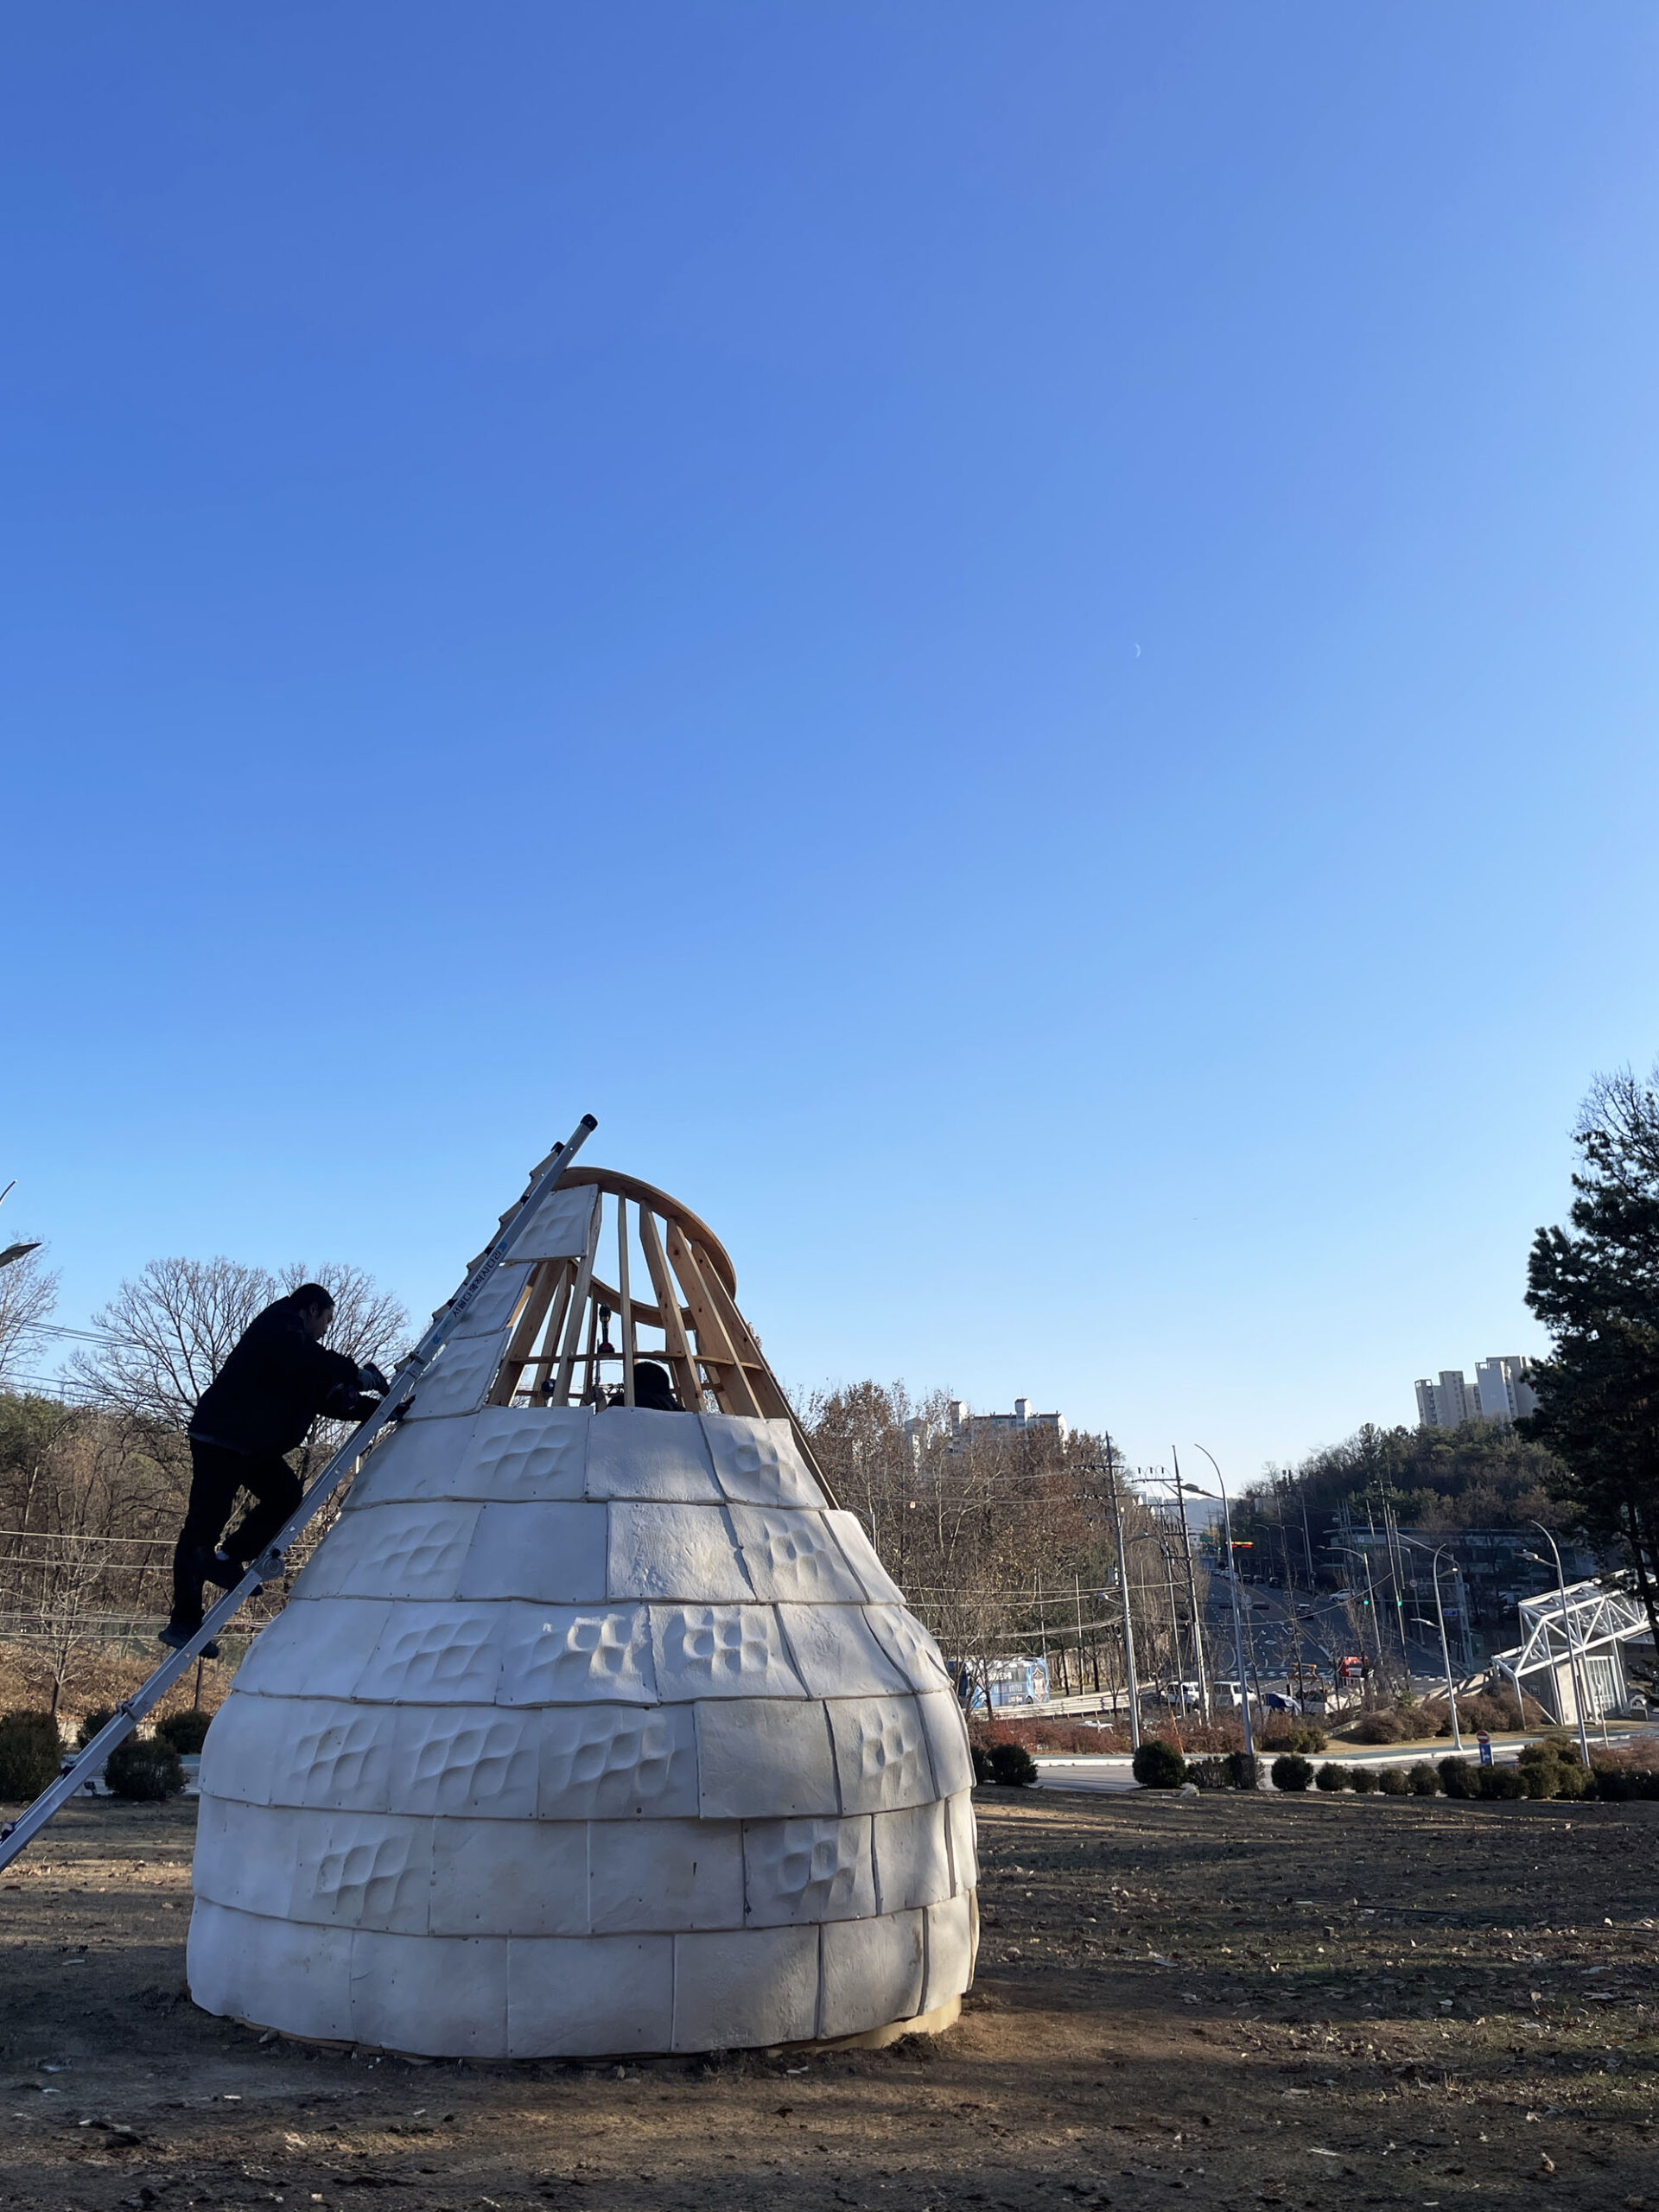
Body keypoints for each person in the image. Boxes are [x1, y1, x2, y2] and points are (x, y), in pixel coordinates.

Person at [162, 1283, 385, 1654]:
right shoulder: (278, 1327)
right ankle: (184, 1620)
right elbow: (307, 1360)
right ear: (311, 1309)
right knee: (203, 1525)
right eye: (327, 1319)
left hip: (248, 1443)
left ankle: (228, 1558)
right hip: (221, 1436)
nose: (326, 1329)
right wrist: (354, 1373)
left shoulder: (293, 1350)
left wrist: (375, 1408)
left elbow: (318, 1396)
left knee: (284, 1494)